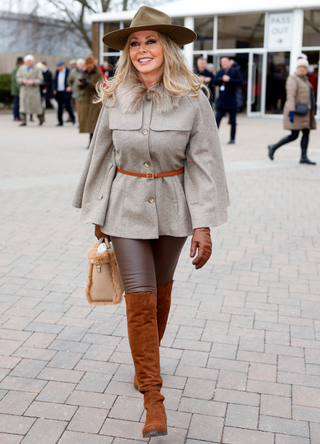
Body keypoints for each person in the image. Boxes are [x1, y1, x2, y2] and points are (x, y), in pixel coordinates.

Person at [72, 6, 229, 439]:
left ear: (167, 47)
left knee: (159, 296)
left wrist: (204, 225)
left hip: (175, 211)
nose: (142, 49)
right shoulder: (113, 93)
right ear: (128, 52)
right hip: (124, 209)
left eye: (151, 40)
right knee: (139, 299)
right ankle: (153, 400)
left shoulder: (193, 98)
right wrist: (98, 213)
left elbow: (204, 165)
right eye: (134, 43)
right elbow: (101, 156)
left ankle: (145, 363)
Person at [268, 58, 316, 165]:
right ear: (297, 68)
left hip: (306, 113)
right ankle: (273, 147)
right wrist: (291, 111)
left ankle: (304, 157)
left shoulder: (305, 79)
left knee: (306, 134)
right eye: (300, 67)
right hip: (297, 112)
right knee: (294, 135)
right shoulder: (293, 78)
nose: (302, 69)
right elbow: (291, 96)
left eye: (304, 67)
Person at [214, 56, 243, 144]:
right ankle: (214, 138)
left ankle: (232, 139)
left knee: (233, 120)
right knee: (217, 119)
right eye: (222, 62)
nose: (223, 63)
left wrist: (230, 79)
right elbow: (214, 81)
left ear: (229, 62)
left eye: (225, 61)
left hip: (231, 99)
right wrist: (221, 79)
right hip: (222, 99)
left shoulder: (235, 71)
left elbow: (240, 82)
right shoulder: (220, 72)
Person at [78, 55, 103, 148]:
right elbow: (81, 88)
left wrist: (88, 83)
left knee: (93, 121)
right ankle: (91, 141)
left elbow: (99, 86)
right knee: (87, 120)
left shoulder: (98, 72)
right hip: (86, 99)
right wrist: (81, 84)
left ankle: (93, 142)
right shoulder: (85, 72)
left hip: (95, 99)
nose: (88, 67)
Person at [16, 55, 44, 126]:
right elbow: (17, 78)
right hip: (24, 90)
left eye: (30, 61)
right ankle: (24, 121)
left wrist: (34, 81)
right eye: (28, 61)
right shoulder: (21, 69)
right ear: (25, 62)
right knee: (23, 106)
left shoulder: (37, 69)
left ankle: (41, 119)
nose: (29, 63)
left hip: (34, 90)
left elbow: (40, 79)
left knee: (36, 106)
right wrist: (22, 80)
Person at [53, 60, 75, 126]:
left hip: (66, 91)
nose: (58, 68)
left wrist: (70, 87)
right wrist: (54, 89)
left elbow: (72, 81)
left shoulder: (68, 71)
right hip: (59, 92)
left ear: (63, 65)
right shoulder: (57, 72)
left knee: (67, 106)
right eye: (57, 66)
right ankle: (60, 121)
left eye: (59, 66)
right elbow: (55, 81)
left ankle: (73, 117)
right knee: (59, 107)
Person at [67, 58, 85, 122]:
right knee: (79, 109)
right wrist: (72, 87)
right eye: (79, 64)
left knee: (85, 109)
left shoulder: (86, 71)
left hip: (85, 93)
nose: (81, 66)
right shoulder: (73, 72)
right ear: (77, 65)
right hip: (77, 93)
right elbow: (69, 81)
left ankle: (84, 122)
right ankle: (80, 123)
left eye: (82, 64)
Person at [11, 56, 24, 121]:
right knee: (17, 103)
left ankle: (18, 116)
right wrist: (19, 88)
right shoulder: (16, 69)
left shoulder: (18, 68)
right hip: (17, 90)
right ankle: (16, 116)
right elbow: (15, 80)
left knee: (18, 103)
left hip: (18, 89)